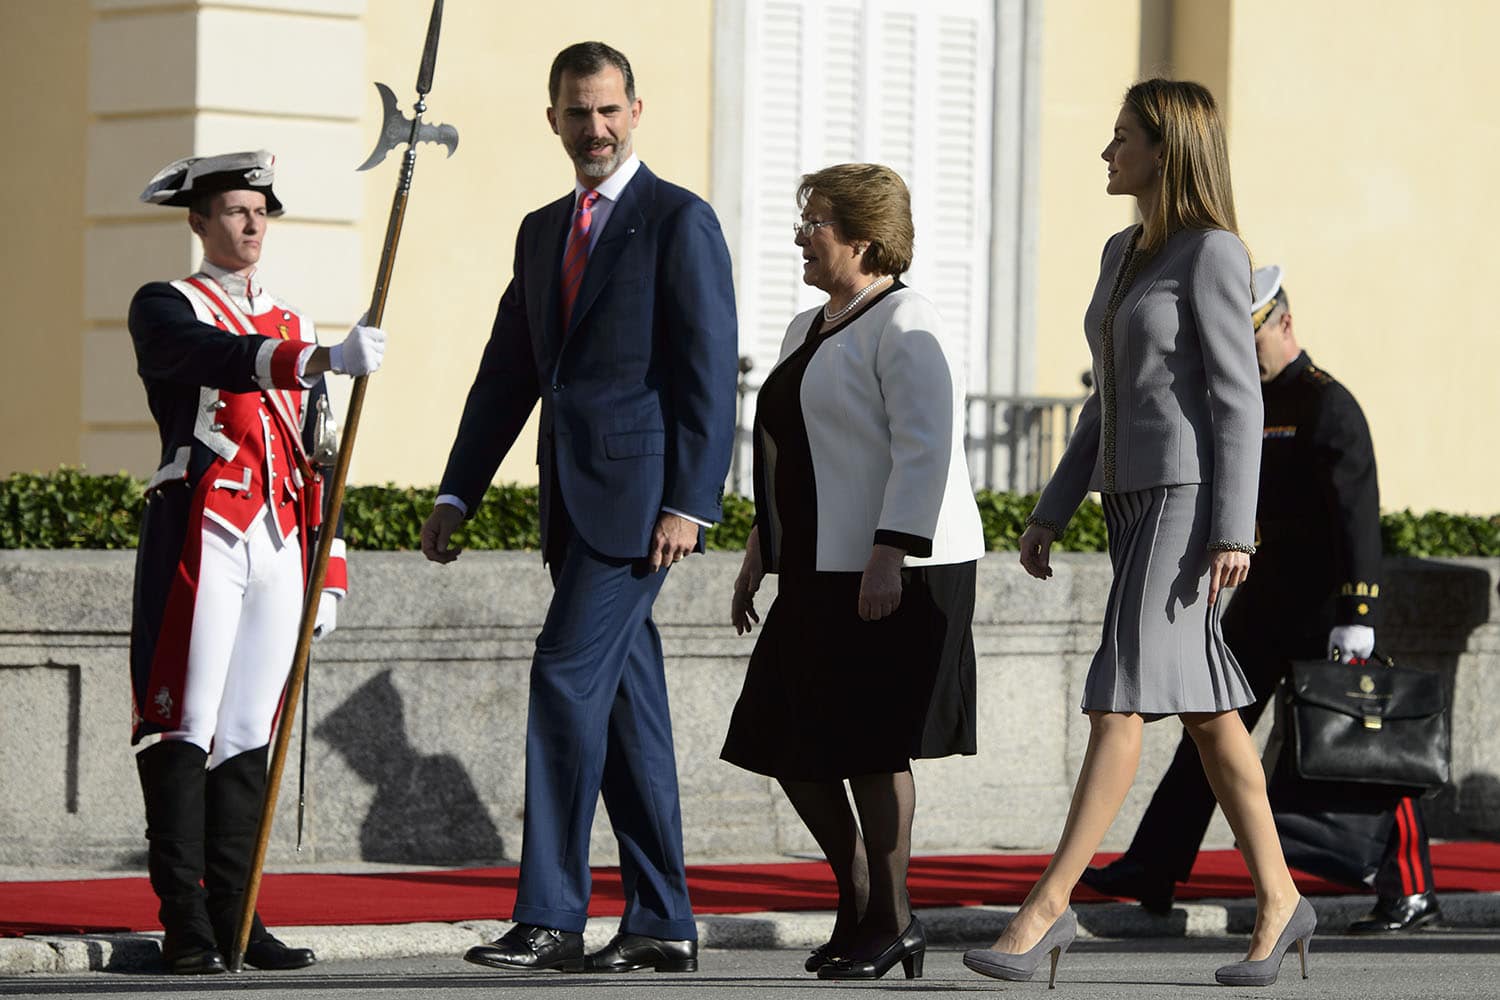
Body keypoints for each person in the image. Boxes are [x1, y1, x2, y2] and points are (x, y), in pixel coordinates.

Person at [961, 80, 1313, 990]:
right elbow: (1106, 398)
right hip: (1129, 504)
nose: (1107, 152)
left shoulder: (1214, 252)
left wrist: (1233, 529)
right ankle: (1281, 900)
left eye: (1122, 137)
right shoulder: (1121, 251)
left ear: (1167, 149)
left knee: (1116, 701)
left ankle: (1048, 908)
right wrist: (1052, 506)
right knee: (1209, 716)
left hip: (1188, 507)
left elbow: (1237, 399)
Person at [420, 42, 737, 975]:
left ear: (636, 111)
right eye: (576, 112)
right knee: (630, 715)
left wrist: (691, 503)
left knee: (562, 679)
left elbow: (708, 372)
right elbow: (509, 371)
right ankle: (662, 923)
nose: (593, 128)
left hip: (641, 513)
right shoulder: (540, 230)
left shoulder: (680, 219)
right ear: (552, 118)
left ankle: (552, 917)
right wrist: (457, 490)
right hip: (571, 507)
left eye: (607, 110)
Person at [1082, 266, 1440, 933]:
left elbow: (1357, 520)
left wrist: (1357, 616)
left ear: (1284, 323)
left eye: (1249, 337)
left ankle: (1413, 892)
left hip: (1327, 613)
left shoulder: (1328, 404)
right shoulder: (1244, 401)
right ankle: (1154, 866)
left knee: (1371, 745)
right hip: (1267, 603)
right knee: (1210, 733)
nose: (1240, 352)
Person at [721, 164, 985, 982]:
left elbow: (924, 446)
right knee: (783, 738)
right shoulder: (807, 326)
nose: (801, 237)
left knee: (871, 745)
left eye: (817, 224)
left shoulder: (906, 318)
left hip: (894, 567)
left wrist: (887, 554)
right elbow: (794, 453)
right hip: (815, 563)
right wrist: (761, 547)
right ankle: (862, 893)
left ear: (865, 240)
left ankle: (892, 919)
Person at [128, 150, 386, 974]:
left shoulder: (296, 323)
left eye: (260, 211)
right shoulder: (167, 305)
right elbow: (211, 357)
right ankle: (185, 923)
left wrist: (329, 568)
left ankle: (237, 917)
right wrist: (317, 359)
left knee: (248, 730)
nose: (251, 224)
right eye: (235, 210)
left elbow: (322, 456)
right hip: (204, 528)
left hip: (281, 539)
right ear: (199, 221)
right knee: (185, 720)